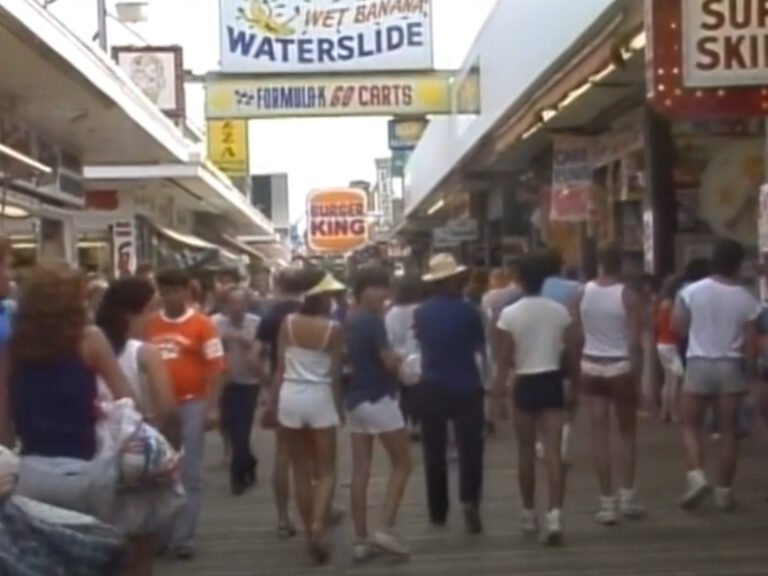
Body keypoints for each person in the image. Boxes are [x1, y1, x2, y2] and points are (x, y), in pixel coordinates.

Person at [95, 276, 176, 576]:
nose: (155, 315)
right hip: (136, 460)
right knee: (141, 555)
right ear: (134, 312)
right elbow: (167, 405)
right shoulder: (144, 352)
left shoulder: (86, 345)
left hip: (94, 457)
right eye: (151, 308)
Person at [496, 252, 579, 545]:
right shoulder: (559, 312)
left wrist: (497, 396)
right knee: (554, 453)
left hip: (525, 383)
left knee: (526, 452)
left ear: (519, 280)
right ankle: (555, 515)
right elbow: (572, 352)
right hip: (552, 381)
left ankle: (529, 512)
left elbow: (504, 359)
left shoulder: (510, 314)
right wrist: (575, 387)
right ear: (543, 280)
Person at [673, 239, 761, 511]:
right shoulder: (748, 299)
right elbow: (750, 344)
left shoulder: (691, 291)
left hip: (699, 362)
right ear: (738, 264)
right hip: (730, 367)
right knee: (728, 432)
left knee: (690, 425)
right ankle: (724, 491)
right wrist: (751, 377)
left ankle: (697, 475)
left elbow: (679, 327)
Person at [145, 268, 225, 560]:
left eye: (176, 290)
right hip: (160, 406)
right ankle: (162, 534)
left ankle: (184, 538)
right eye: (165, 290)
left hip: (193, 403)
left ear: (187, 291)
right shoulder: (150, 324)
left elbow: (216, 367)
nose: (171, 296)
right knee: (160, 470)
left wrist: (213, 406)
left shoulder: (202, 325)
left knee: (190, 470)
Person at [267, 270, 345, 565]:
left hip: (290, 395)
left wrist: (271, 403)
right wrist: (339, 407)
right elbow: (336, 374)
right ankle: (317, 525)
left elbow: (278, 368)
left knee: (299, 468)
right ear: (323, 297)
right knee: (326, 470)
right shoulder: (333, 329)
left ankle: (307, 526)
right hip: (320, 396)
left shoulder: (287, 323)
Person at [414, 253, 485, 534]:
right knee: (470, 449)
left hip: (431, 385)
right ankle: (469, 501)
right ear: (454, 279)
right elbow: (479, 348)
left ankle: (438, 510)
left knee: (434, 451)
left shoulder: (421, 313)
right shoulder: (470, 311)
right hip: (467, 384)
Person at [576, 242, 646, 525]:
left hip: (591, 364)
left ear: (599, 263)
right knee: (627, 433)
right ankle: (627, 497)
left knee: (599, 434)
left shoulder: (582, 292)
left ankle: (607, 504)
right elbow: (633, 341)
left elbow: (577, 331)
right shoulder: (629, 296)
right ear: (622, 265)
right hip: (620, 366)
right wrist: (639, 377)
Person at [346, 266, 412, 561]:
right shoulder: (372, 321)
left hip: (355, 401)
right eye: (375, 287)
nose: (381, 294)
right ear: (361, 291)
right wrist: (402, 360)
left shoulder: (349, 319)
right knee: (403, 463)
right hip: (379, 399)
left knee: (361, 470)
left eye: (384, 288)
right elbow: (387, 361)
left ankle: (360, 540)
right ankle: (385, 527)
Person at [256, 267, 305, 538]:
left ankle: (284, 519)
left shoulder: (270, 315)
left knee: (283, 455)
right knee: (313, 455)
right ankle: (318, 511)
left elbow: (254, 356)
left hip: (282, 385)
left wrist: (266, 384)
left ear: (278, 285)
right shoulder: (312, 312)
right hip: (312, 386)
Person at [212, 286, 261, 495]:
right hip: (225, 382)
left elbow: (263, 350)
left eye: (240, 302)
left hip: (249, 383)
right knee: (229, 427)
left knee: (243, 428)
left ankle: (237, 476)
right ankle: (248, 460)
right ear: (225, 305)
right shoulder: (215, 324)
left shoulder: (255, 323)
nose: (237, 307)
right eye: (232, 303)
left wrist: (243, 339)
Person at [539, 250, 582, 462]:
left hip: (541, 348)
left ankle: (542, 441)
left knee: (543, 397)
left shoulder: (534, 288)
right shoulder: (575, 288)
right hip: (567, 346)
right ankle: (563, 442)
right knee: (569, 398)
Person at [385, 275, 422, 439]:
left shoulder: (392, 314)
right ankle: (418, 423)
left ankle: (406, 424)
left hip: (402, 360)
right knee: (421, 395)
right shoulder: (422, 309)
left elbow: (389, 339)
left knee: (405, 395)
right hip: (422, 357)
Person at [656, 275, 684, 423]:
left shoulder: (661, 303)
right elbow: (675, 325)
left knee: (667, 379)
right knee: (676, 379)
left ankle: (664, 411)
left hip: (661, 342)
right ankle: (674, 412)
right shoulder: (673, 305)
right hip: (671, 342)